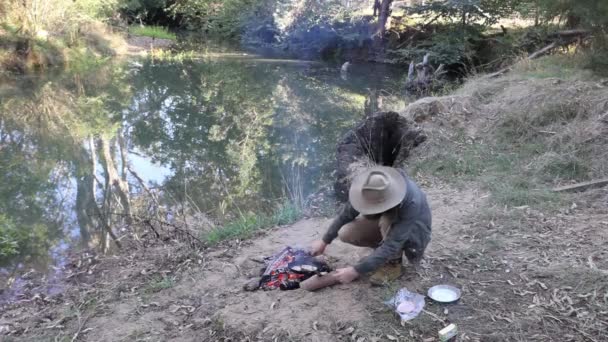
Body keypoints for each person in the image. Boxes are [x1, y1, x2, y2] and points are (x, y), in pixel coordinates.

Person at [310, 166, 432, 285]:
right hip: (387, 220)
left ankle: (393, 264)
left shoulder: (411, 201)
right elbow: (345, 215)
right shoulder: (369, 188)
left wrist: (355, 270)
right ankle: (380, 254)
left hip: (414, 231)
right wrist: (324, 241)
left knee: (387, 222)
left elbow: (393, 244)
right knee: (346, 232)